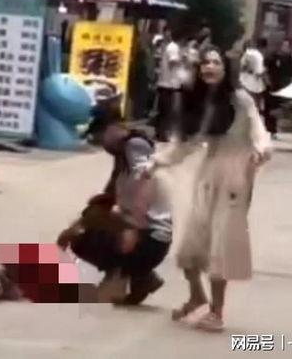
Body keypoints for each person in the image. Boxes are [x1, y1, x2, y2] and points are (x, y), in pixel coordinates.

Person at [152, 46, 271, 332]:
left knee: (221, 243)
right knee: (191, 242)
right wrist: (156, 162)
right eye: (205, 62)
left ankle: (217, 312)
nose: (209, 67)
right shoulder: (201, 101)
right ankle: (196, 296)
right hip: (209, 173)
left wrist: (261, 150)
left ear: (225, 68)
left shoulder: (239, 99)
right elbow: (187, 144)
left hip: (235, 175)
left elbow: (258, 128)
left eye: (216, 62)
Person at [58, 121, 172, 306]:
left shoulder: (134, 145)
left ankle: (120, 276)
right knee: (86, 227)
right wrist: (74, 228)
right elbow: (104, 202)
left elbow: (146, 179)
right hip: (145, 235)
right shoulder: (121, 163)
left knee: (98, 234)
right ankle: (141, 277)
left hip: (150, 236)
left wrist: (133, 226)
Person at [264, 39, 292, 136]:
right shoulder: (272, 57)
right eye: (283, 46)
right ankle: (271, 129)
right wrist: (267, 81)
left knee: (284, 108)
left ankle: (285, 128)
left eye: (287, 46)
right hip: (273, 85)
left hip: (285, 86)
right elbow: (266, 69)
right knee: (271, 107)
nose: (285, 48)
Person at [155, 27, 183, 141]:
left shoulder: (166, 47)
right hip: (169, 84)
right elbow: (173, 62)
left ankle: (160, 133)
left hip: (163, 83)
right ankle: (163, 134)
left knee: (163, 111)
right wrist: (183, 61)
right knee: (167, 111)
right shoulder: (173, 47)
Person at [239, 39, 267, 111]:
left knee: (257, 100)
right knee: (253, 101)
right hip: (250, 82)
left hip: (254, 81)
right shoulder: (248, 57)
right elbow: (244, 68)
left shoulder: (254, 56)